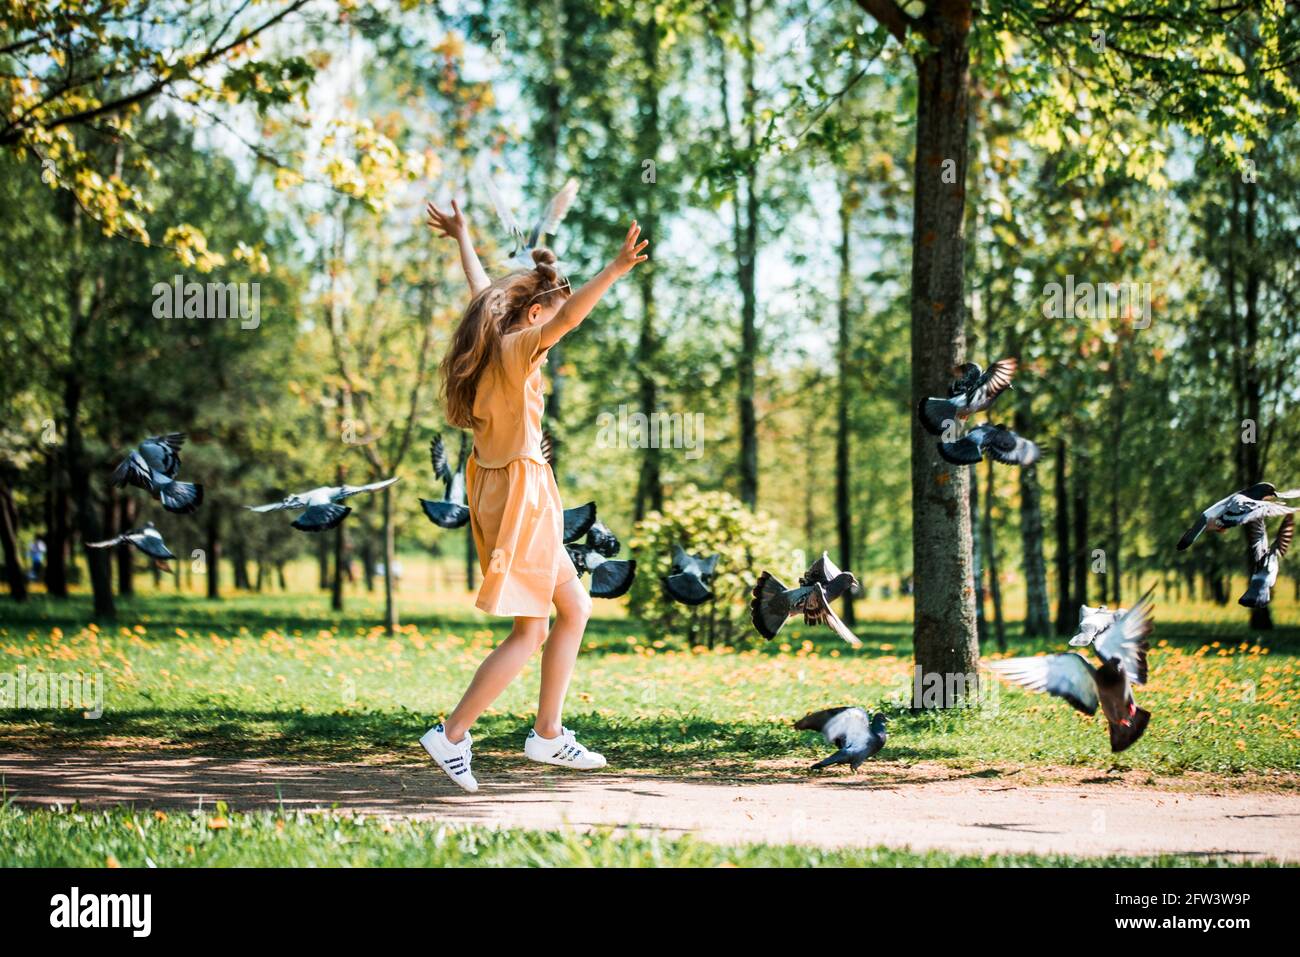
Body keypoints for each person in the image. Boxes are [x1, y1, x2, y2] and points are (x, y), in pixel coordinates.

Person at [419, 197, 647, 792]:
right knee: (530, 630)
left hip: (510, 486)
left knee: (574, 608)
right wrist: (615, 270)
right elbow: (567, 321)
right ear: (537, 312)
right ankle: (451, 734)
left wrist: (462, 235)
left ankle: (547, 734)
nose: (557, 323)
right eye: (553, 312)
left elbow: (481, 288)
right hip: (521, 493)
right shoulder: (519, 347)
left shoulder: (491, 334)